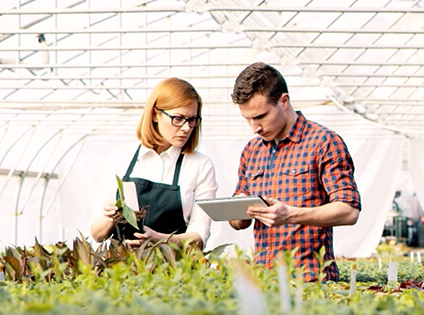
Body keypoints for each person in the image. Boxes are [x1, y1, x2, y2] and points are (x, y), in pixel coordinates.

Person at [228, 62, 361, 282]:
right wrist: (238, 210)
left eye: (260, 116)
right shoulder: (252, 151)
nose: (255, 127)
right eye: (248, 119)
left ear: (284, 101)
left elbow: (349, 211)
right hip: (264, 281)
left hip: (311, 282)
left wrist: (290, 214)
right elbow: (238, 223)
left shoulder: (324, 142)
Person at [90, 77, 218, 249]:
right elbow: (97, 234)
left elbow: (199, 237)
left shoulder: (199, 165)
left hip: (173, 271)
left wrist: (159, 239)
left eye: (192, 120)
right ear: (156, 114)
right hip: (120, 268)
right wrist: (112, 216)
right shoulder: (121, 157)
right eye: (178, 118)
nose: (186, 128)